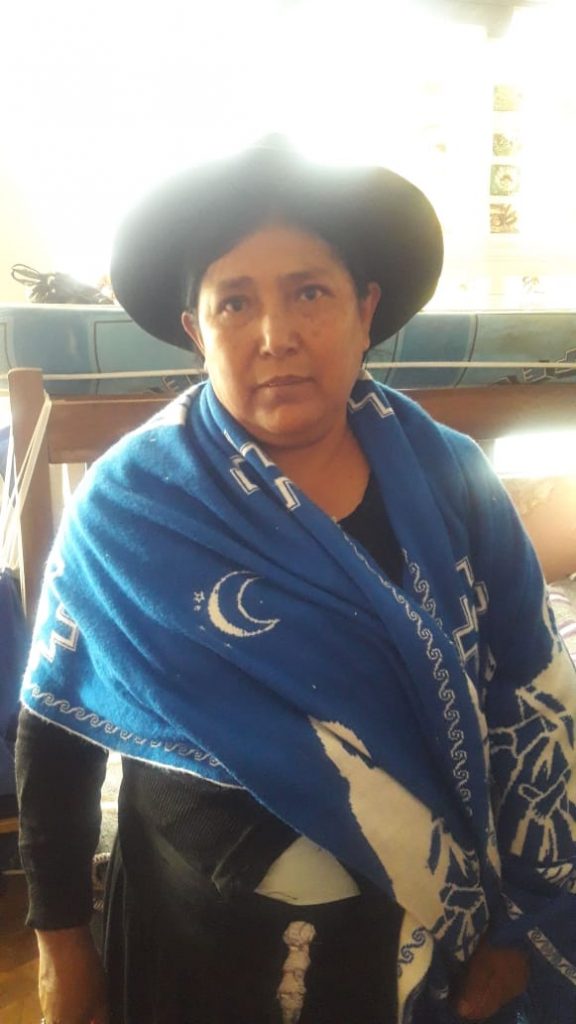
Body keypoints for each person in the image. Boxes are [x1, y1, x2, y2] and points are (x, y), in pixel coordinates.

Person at [16, 139, 576, 1024]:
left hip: (413, 953)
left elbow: (530, 699)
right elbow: (56, 735)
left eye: (310, 292)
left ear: (365, 309)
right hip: (189, 953)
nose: (276, 336)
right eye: (236, 302)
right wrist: (64, 955)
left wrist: (516, 926)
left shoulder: (454, 483)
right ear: (198, 330)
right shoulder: (130, 507)